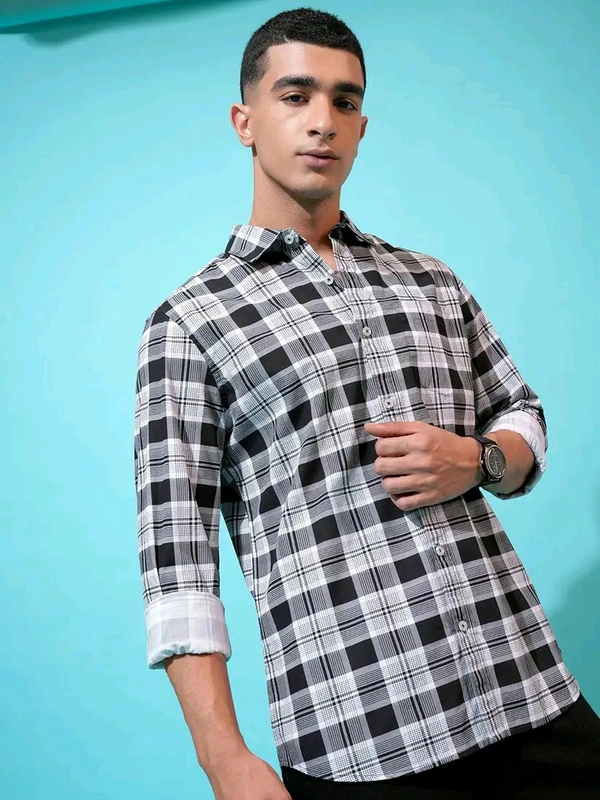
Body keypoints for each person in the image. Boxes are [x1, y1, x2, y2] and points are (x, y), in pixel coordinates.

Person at [133, 7, 599, 799]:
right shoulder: (189, 325)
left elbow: (523, 414)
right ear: (245, 121)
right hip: (360, 738)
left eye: (344, 101)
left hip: (528, 692)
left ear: (362, 126)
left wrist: (478, 460)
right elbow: (178, 567)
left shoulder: (432, 281)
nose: (322, 120)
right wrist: (224, 759)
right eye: (295, 96)